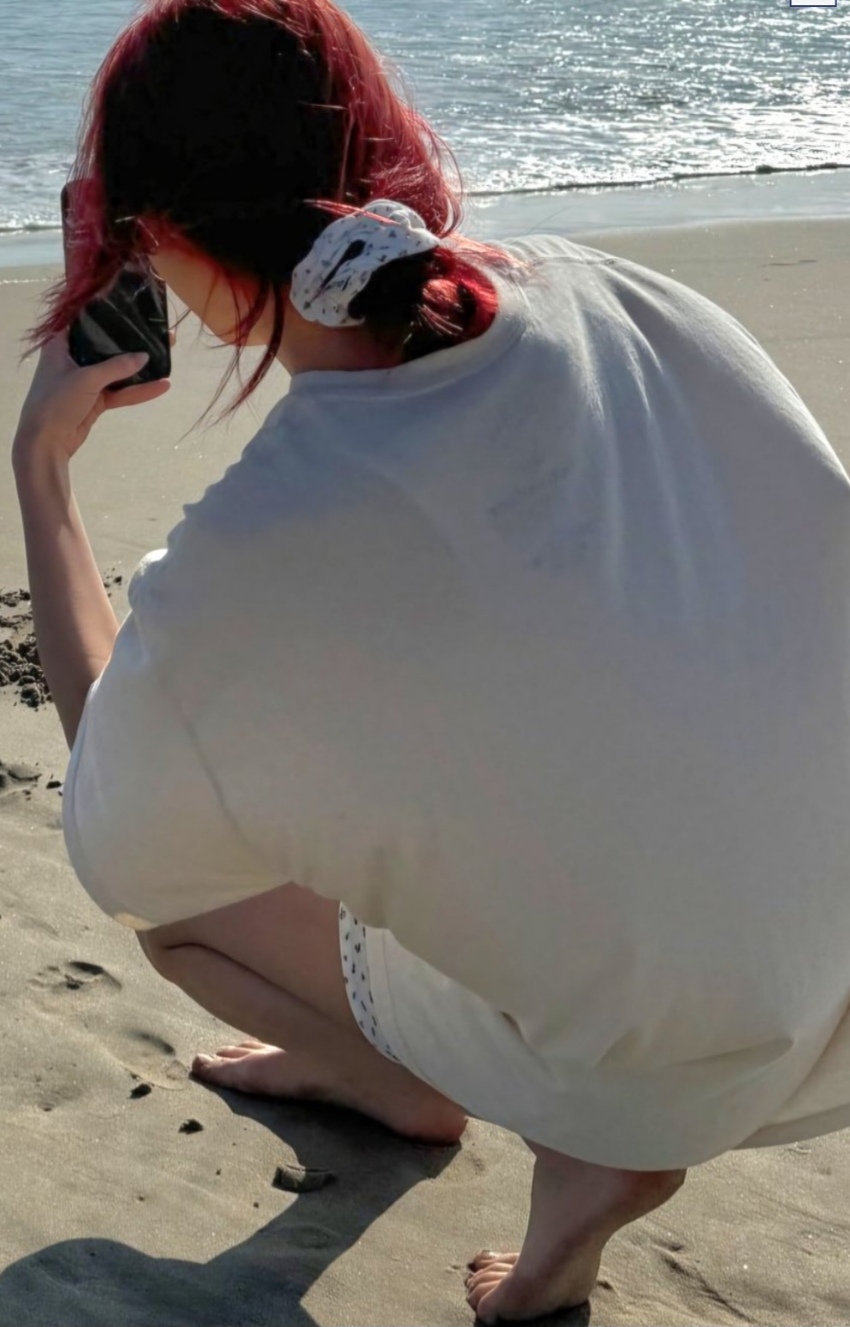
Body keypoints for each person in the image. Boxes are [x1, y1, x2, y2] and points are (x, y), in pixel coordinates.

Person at [13, 0, 850, 1320]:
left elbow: (121, 837)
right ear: (382, 139)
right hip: (832, 979)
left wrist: (43, 471)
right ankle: (582, 1143)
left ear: (148, 237)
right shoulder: (619, 292)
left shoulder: (260, 553)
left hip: (674, 1054)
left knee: (188, 899)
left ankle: (499, 1107)